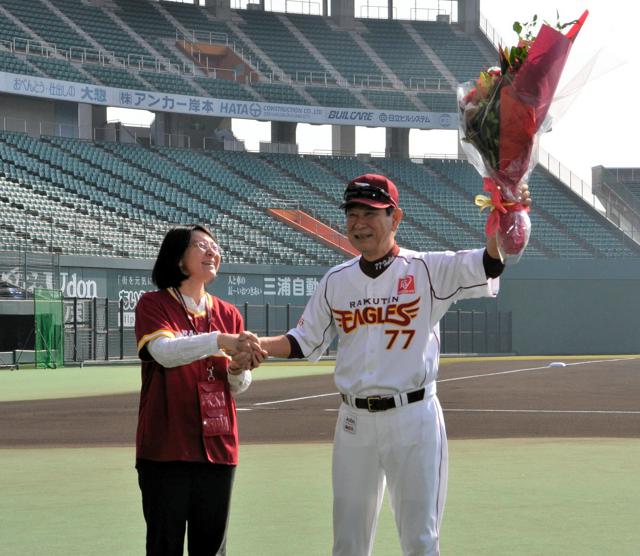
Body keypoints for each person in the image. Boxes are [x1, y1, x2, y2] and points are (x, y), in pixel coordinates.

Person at [257, 173, 531, 556]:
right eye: (352, 213)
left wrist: (507, 212)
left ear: (395, 217)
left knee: (420, 540)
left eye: (370, 212)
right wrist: (259, 346)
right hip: (355, 423)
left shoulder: (426, 269)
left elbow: (489, 263)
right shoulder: (336, 280)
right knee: (348, 542)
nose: (359, 223)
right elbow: (304, 341)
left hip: (413, 417)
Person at [134, 224, 266, 556]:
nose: (212, 252)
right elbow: (163, 353)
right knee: (165, 544)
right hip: (166, 449)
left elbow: (236, 386)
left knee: (212, 547)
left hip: (219, 448)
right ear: (179, 259)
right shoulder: (154, 304)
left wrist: (237, 368)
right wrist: (219, 341)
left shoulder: (228, 313)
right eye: (201, 246)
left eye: (215, 247)